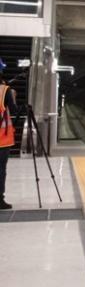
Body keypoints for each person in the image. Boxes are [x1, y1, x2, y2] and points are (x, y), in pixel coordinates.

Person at [0, 58, 18, 210]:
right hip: (2, 140)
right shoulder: (4, 90)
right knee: (0, 169)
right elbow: (15, 111)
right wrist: (13, 97)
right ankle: (0, 199)